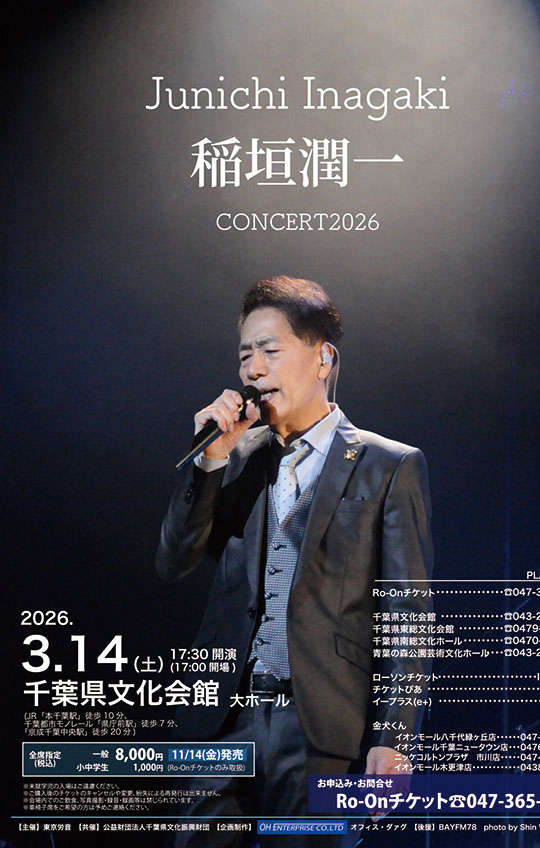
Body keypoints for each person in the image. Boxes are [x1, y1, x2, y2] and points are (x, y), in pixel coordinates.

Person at [156, 275, 433, 846]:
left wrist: (394, 738)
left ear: (323, 358)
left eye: (270, 350)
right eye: (245, 355)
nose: (254, 370)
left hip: (321, 727)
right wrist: (208, 463)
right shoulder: (234, 457)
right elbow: (174, 562)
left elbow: (408, 615)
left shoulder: (388, 465)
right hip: (223, 720)